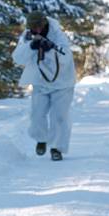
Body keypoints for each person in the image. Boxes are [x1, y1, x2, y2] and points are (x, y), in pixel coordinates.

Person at [12, 11, 76, 160]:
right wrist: (31, 47)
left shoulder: (58, 35)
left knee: (59, 117)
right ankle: (41, 139)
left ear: (45, 24)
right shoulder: (27, 36)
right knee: (37, 115)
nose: (38, 30)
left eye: (40, 27)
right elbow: (17, 58)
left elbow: (66, 58)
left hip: (62, 83)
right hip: (40, 83)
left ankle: (56, 148)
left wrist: (51, 49)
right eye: (34, 28)